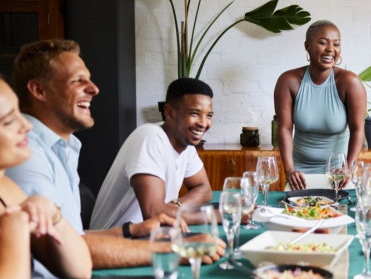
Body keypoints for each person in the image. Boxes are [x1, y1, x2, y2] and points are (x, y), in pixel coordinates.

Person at [8, 40, 225, 271]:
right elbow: (63, 250)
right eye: (77, 80)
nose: (94, 89)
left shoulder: (63, 148)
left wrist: (130, 230)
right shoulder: (26, 153)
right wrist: (173, 249)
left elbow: (71, 236)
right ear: (39, 90)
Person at [91, 78, 216, 229]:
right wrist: (215, 216)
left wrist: (174, 207)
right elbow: (154, 213)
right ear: (169, 113)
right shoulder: (149, 137)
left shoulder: (185, 142)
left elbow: (204, 189)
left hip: (149, 235)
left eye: (209, 115)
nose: (203, 123)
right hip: (114, 241)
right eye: (195, 113)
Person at [0, 77, 92, 279]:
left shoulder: (6, 188)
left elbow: (80, 270)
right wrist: (14, 230)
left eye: (18, 112)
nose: (27, 125)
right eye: (8, 121)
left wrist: (53, 214)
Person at [274, 20, 367, 190]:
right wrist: (289, 170)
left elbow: (358, 129)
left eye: (336, 44)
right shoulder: (289, 81)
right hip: (299, 176)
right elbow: (285, 129)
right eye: (323, 42)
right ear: (307, 46)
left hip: (338, 175)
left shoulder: (349, 82)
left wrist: (348, 167)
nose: (331, 49)